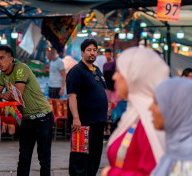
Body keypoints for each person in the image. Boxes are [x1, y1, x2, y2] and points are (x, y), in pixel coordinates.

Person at [101, 46, 169, 176]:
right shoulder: (135, 114)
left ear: (134, 76)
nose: (114, 77)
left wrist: (111, 173)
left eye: (119, 72)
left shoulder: (151, 118)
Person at [0, 45, 53, 176]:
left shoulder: (21, 68)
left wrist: (7, 94)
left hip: (43, 117)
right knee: (24, 157)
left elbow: (17, 95)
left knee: (44, 158)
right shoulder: (4, 75)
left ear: (11, 59)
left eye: (2, 58)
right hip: (27, 119)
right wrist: (3, 95)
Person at [66, 39, 108, 176]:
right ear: (82, 52)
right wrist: (76, 119)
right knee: (80, 155)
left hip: (98, 122)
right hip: (82, 123)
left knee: (95, 156)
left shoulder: (96, 70)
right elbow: (72, 97)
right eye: (89, 50)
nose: (92, 53)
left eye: (94, 50)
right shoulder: (76, 71)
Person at [150, 77, 192, 175]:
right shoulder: (174, 151)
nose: (150, 107)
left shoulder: (191, 158)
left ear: (177, 108)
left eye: (157, 103)